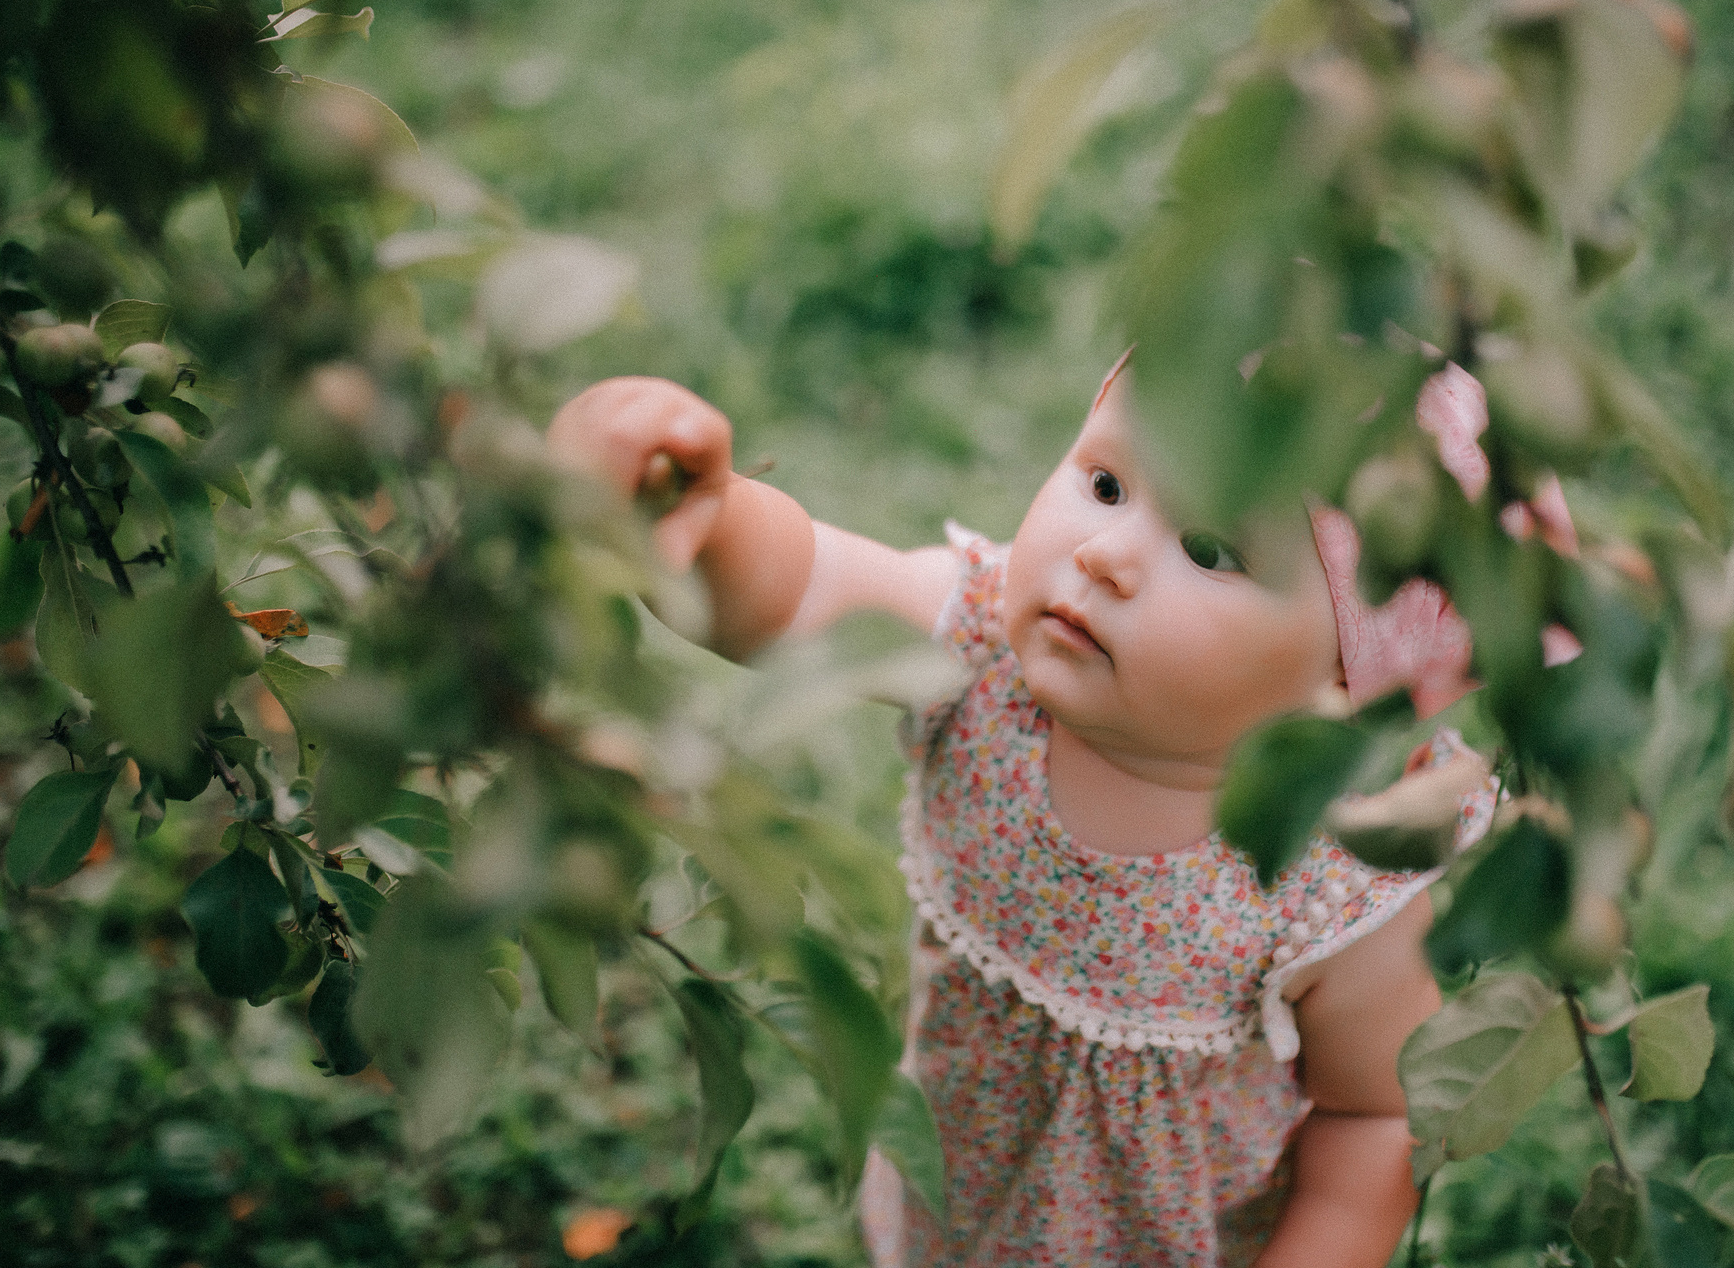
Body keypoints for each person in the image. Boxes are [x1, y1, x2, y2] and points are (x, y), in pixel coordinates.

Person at [546, 356, 1508, 1267]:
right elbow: (802, 590)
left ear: (1347, 680)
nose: (1107, 554)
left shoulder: (1328, 875)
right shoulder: (980, 650)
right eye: (1106, 484)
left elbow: (1372, 1117)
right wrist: (698, 519)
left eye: (1210, 548)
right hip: (956, 1192)